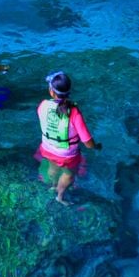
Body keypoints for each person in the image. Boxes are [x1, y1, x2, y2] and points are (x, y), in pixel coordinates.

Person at [37, 72, 101, 205]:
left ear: (51, 92)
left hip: (47, 148)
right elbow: (88, 143)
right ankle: (60, 197)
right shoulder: (74, 112)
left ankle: (53, 186)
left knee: (53, 167)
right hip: (67, 155)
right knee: (68, 174)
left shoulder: (42, 105)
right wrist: (96, 146)